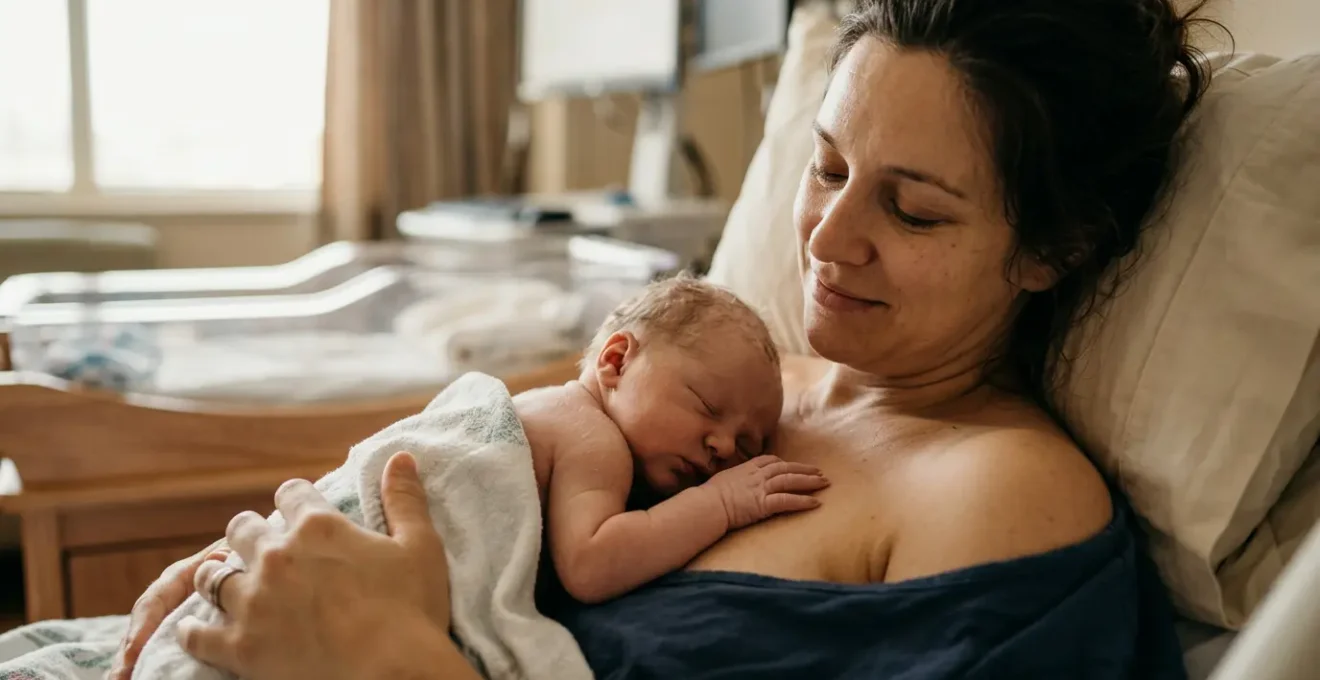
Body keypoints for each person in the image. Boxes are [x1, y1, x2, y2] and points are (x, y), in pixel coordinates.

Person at [109, 0, 1215, 677]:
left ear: (1054, 248)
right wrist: (271, 568)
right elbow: (476, 489)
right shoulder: (747, 382)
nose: (827, 237)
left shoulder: (1002, 492)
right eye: (828, 167)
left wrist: (387, 661)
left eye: (914, 210)